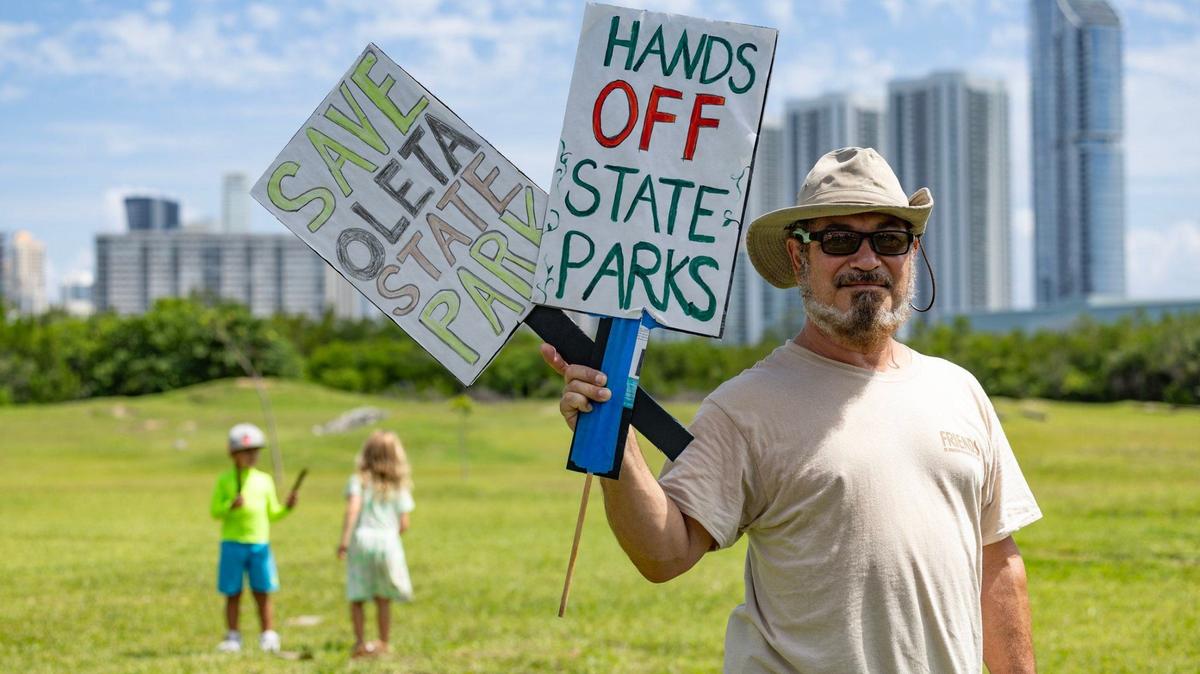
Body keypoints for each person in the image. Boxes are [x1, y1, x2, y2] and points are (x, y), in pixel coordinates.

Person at [540, 147, 1042, 673]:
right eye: (840, 240)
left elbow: (996, 563)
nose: (867, 260)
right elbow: (664, 554)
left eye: (889, 239)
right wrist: (616, 440)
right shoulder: (745, 406)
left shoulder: (958, 390)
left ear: (911, 253)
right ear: (800, 258)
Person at [209, 422, 298, 653]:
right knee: (233, 592)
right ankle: (232, 635)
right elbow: (215, 511)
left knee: (263, 591)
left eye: (255, 451)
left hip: (260, 544)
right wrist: (231, 506)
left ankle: (268, 634)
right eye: (246, 452)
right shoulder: (225, 480)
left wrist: (287, 507)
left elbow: (273, 514)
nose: (252, 456)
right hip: (232, 543)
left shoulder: (264, 480)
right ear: (233, 454)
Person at [336, 430, 415, 659]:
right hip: (388, 539)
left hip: (362, 539)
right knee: (383, 596)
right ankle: (383, 641)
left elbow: (353, 509)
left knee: (358, 595)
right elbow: (404, 523)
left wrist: (344, 541)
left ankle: (360, 642)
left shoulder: (358, 481)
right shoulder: (399, 485)